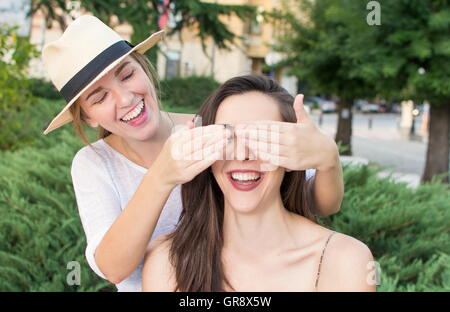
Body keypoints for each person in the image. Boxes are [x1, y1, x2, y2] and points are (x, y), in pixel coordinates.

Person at [41, 15, 343, 292]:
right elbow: (114, 268)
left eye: (127, 74)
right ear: (89, 117)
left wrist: (328, 158)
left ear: (144, 67)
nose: (125, 97)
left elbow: (315, 202)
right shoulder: (94, 164)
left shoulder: (208, 127)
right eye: (100, 97)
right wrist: (163, 175)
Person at [142, 75, 375, 292]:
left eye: (262, 137)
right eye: (228, 136)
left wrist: (329, 157)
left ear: (292, 154)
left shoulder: (344, 261)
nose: (243, 155)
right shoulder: (167, 261)